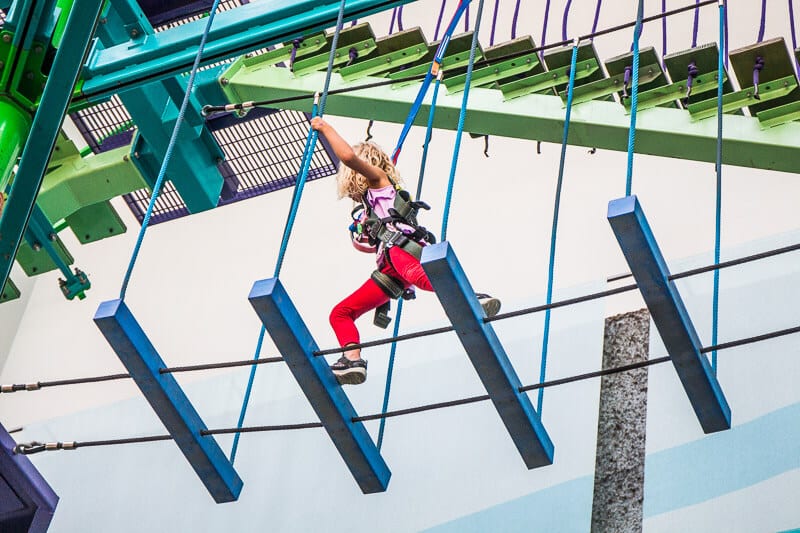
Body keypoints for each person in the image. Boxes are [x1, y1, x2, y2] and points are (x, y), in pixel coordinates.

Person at [311, 117, 501, 385]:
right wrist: (365, 234)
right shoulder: (372, 205)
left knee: (423, 278)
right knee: (340, 313)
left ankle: (471, 297)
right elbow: (372, 245)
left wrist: (324, 127)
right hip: (390, 266)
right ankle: (352, 359)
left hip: (403, 253)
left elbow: (348, 157)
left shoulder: (379, 180)